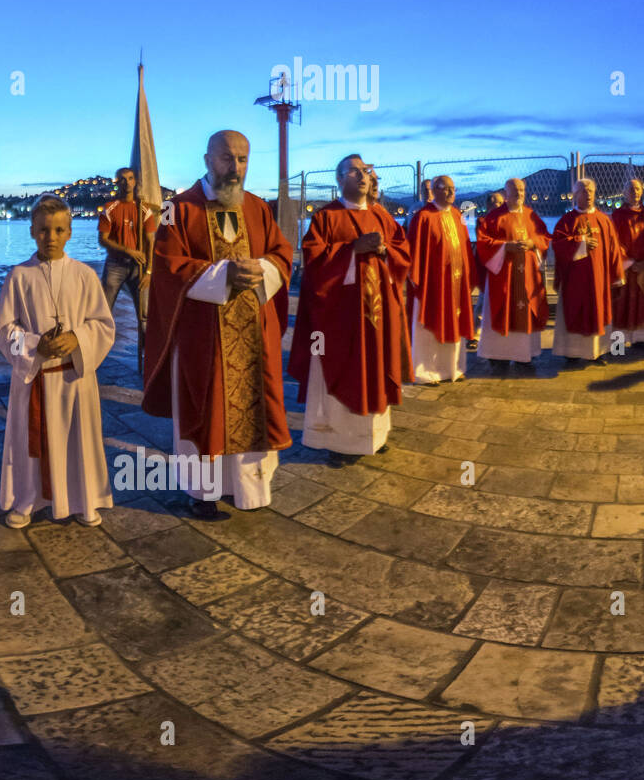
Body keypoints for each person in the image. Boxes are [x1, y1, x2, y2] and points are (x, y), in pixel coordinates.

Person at [142, 130, 293, 518]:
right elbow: (167, 267)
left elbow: (280, 252)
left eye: (243, 159)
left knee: (253, 405)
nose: (236, 167)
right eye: (228, 158)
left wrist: (261, 269)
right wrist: (225, 275)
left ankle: (249, 490)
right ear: (207, 160)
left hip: (251, 336)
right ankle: (202, 492)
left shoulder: (258, 208)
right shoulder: (178, 209)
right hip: (202, 336)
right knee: (203, 409)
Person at [0, 196, 116, 529]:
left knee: (78, 441)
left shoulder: (85, 275)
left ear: (70, 233)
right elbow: (4, 331)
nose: (51, 237)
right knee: (29, 443)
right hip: (36, 377)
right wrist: (35, 345)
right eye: (44, 230)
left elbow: (103, 324)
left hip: (74, 378)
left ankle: (82, 498)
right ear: (32, 231)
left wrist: (77, 338)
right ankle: (27, 499)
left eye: (59, 230)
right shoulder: (18, 276)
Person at [292, 154, 412, 464]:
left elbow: (402, 252)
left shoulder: (381, 215)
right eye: (354, 171)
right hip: (339, 319)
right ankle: (339, 442)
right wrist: (352, 250)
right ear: (340, 180)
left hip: (377, 316)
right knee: (343, 370)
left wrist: (385, 251)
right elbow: (314, 261)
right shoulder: (326, 218)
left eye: (366, 171)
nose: (363, 176)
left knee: (376, 366)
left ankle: (376, 435)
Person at [405, 175, 475, 385]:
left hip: (455, 283)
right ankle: (426, 372)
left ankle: (452, 368)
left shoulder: (456, 214)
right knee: (428, 326)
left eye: (453, 188)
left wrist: (468, 275)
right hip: (432, 284)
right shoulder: (423, 217)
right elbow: (415, 252)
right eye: (446, 188)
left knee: (455, 321)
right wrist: (418, 278)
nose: (451, 192)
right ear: (435, 191)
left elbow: (464, 247)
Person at [473, 178, 549, 372]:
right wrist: (506, 247)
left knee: (525, 311)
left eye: (522, 189)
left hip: (527, 277)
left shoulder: (532, 215)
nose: (519, 193)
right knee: (502, 311)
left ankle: (525, 357)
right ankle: (498, 357)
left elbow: (544, 237)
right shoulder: (494, 218)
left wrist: (533, 244)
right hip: (503, 277)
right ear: (506, 194)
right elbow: (483, 243)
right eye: (515, 190)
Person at [549, 178, 624, 365]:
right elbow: (558, 245)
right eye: (583, 190)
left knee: (600, 311)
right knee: (575, 312)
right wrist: (580, 243)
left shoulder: (604, 220)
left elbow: (614, 249)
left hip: (599, 279)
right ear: (575, 195)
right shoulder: (566, 221)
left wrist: (617, 276)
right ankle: (572, 352)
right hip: (575, 282)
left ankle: (599, 352)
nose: (588, 194)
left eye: (591, 190)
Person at [95, 166, 156, 329]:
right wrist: (128, 250)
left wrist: (149, 271)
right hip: (115, 264)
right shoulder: (110, 208)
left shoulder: (144, 209)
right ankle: (98, 347)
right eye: (122, 179)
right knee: (103, 312)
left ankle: (146, 351)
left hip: (138, 267)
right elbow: (103, 240)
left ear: (135, 182)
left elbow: (151, 241)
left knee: (145, 315)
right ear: (118, 183)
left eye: (130, 178)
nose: (127, 182)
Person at [609, 176, 644, 351]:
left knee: (641, 303)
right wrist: (629, 262)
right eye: (631, 189)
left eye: (638, 189)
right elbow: (614, 242)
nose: (635, 192)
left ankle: (640, 341)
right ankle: (618, 345)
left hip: (643, 267)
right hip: (625, 268)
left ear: (642, 191)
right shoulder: (617, 216)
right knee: (621, 304)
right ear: (624, 193)